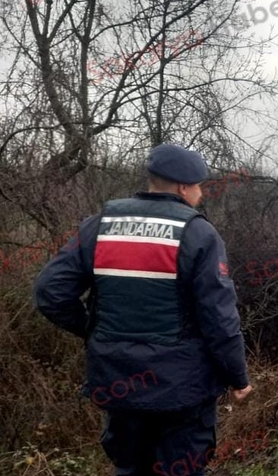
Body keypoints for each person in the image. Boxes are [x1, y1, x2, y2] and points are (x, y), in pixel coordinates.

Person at [33, 144, 252, 476]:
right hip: (182, 391)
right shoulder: (197, 233)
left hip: (117, 384)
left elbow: (50, 292)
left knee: (130, 468)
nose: (200, 193)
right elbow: (219, 319)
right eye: (198, 186)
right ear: (183, 187)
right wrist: (238, 378)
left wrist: (95, 330)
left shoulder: (99, 226)